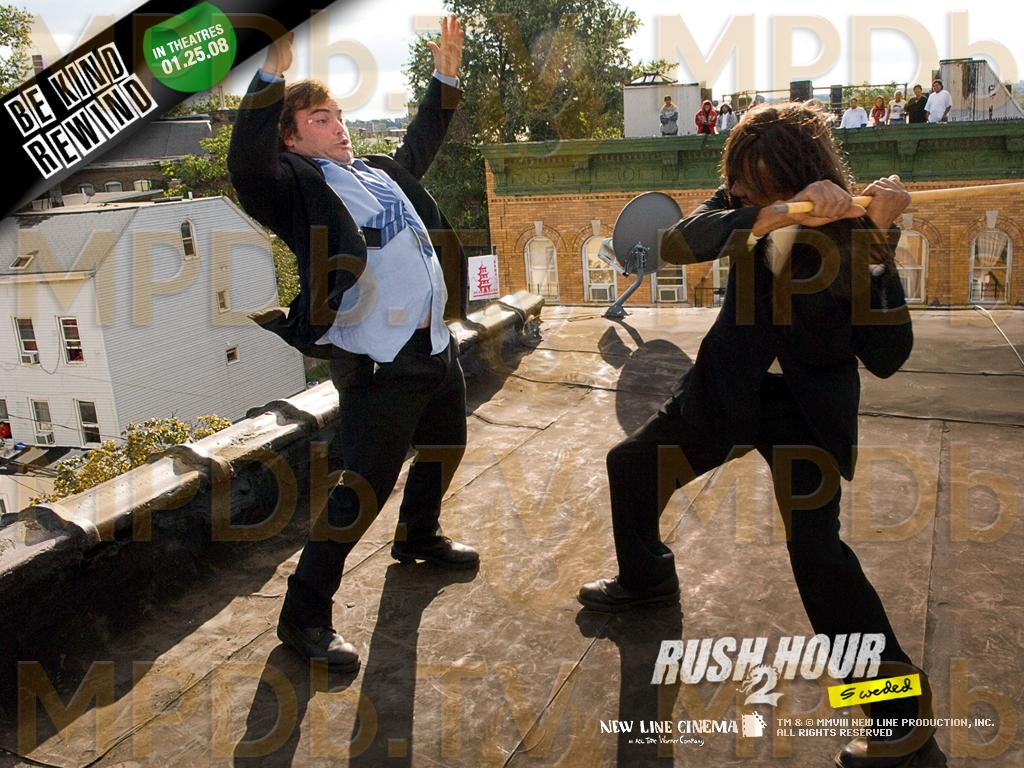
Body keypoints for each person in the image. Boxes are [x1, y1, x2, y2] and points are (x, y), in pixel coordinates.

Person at [579, 101, 944, 767]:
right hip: (729, 388)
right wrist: (765, 214)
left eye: (755, 185)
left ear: (794, 171)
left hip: (805, 411)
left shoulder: (853, 227)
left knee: (818, 556)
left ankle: (902, 718)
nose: (739, 191)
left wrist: (878, 236)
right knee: (631, 465)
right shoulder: (744, 203)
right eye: (738, 183)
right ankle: (647, 579)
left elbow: (889, 356)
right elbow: (678, 242)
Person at [227, 17, 478, 672]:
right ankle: (302, 615)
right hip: (379, 364)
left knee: (447, 446)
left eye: (339, 115)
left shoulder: (378, 172)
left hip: (433, 346)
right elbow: (247, 168)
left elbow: (421, 140)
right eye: (320, 119)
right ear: (290, 139)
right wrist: (269, 76)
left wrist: (445, 79)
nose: (338, 126)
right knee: (361, 491)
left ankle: (418, 535)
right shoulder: (299, 188)